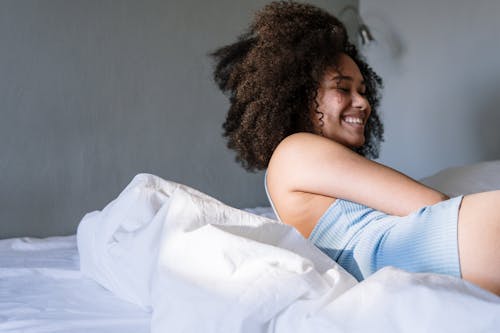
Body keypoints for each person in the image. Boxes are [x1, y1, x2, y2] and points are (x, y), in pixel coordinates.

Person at [211, 1, 500, 295]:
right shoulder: (294, 151)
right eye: (342, 87)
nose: (363, 103)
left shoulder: (301, 163)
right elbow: (431, 202)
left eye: (363, 91)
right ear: (299, 94)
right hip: (454, 241)